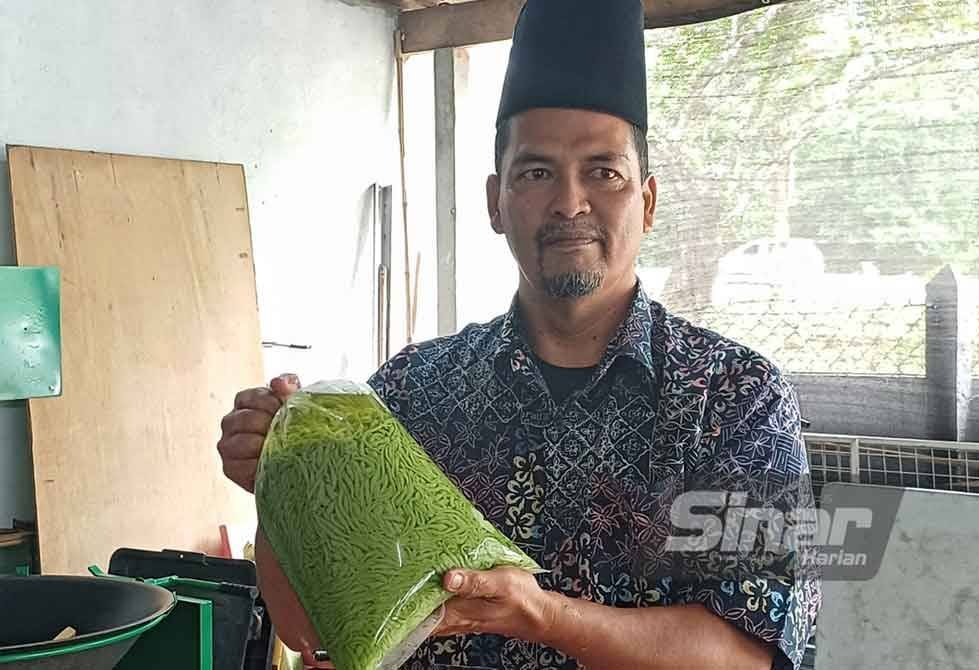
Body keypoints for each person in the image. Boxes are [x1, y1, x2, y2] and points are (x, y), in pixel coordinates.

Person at [218, 1, 821, 668]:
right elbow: (315, 634)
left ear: (646, 201)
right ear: (494, 202)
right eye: (536, 173)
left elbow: (750, 656)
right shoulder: (411, 393)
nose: (569, 203)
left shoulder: (735, 400)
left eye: (603, 171)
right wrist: (282, 479)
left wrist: (542, 616)